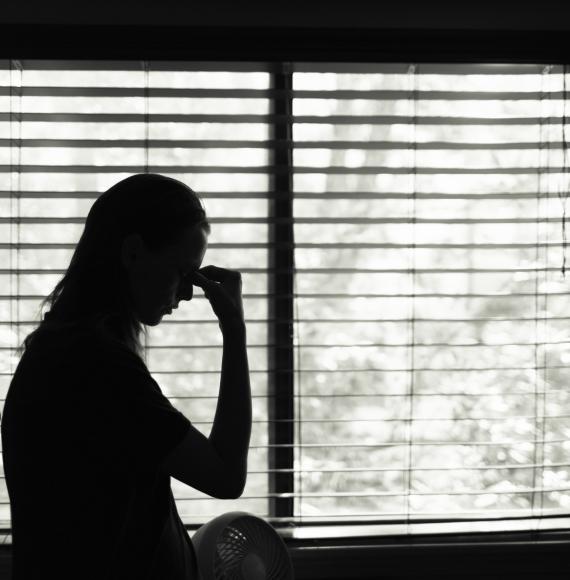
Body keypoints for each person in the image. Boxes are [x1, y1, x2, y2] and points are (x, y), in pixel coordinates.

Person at [0, 173, 252, 580]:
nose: (188, 294)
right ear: (133, 252)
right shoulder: (95, 367)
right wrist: (235, 331)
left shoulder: (69, 350)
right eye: (183, 272)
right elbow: (225, 476)